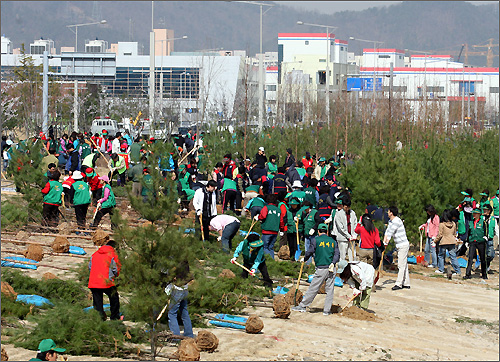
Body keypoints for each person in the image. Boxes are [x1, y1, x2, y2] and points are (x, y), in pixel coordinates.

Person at [291, 223, 339, 315]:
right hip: (331, 268)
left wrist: (304, 259)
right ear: (327, 232)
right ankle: (326, 310)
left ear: (318, 231)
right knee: (330, 289)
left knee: (313, 287)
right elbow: (337, 254)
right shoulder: (333, 241)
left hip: (321, 268)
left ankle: (302, 306)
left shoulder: (315, 240)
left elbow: (310, 251)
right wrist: (333, 263)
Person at [88, 239, 121, 321]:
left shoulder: (95, 254)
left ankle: (100, 318)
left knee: (97, 302)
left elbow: (90, 267)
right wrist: (115, 276)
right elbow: (116, 268)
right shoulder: (113, 254)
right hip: (106, 282)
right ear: (114, 247)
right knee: (114, 298)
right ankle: (114, 317)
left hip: (94, 281)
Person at [165, 260, 195, 339]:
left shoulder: (176, 259)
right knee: (184, 312)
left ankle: (175, 337)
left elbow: (171, 275)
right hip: (185, 289)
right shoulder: (184, 259)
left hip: (177, 289)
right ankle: (189, 335)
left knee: (172, 314)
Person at [383, 206, 411, 290]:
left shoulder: (396, 221)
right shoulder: (390, 221)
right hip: (399, 245)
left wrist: (386, 242)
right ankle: (406, 283)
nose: (387, 213)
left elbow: (391, 233)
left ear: (391, 213)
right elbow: (387, 232)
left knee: (401, 265)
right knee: (404, 264)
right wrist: (384, 242)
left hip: (403, 245)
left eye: (388, 211)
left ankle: (398, 284)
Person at [434, 209, 461, 277]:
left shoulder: (442, 224)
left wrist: (435, 241)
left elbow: (440, 235)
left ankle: (441, 269)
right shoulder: (454, 224)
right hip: (452, 242)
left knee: (441, 256)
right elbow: (454, 234)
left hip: (443, 242)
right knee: (453, 256)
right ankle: (458, 271)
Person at [464, 208, 488, 280]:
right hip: (472, 241)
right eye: (473, 213)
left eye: (475, 213)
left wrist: (485, 237)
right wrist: (467, 241)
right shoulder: (470, 222)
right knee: (470, 258)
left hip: (481, 241)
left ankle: (484, 274)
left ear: (479, 214)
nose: (474, 215)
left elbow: (486, 230)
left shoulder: (483, 222)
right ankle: (467, 274)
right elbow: (468, 232)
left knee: (483, 258)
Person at [256, 193, 281, 259]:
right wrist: (282, 229)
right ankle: (272, 260)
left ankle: (267, 260)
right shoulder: (278, 210)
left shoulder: (266, 208)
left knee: (265, 246)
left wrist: (258, 217)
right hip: (275, 231)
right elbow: (281, 221)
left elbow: (262, 216)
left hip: (267, 231)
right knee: (271, 247)